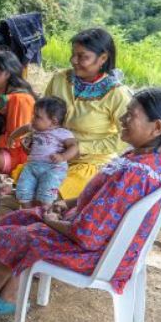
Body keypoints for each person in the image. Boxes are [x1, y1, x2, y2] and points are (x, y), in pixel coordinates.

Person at [0, 88, 161, 317]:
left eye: (131, 115)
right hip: (111, 244)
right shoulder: (154, 158)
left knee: (16, 231)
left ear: (157, 127)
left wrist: (51, 221)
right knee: (17, 218)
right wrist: (69, 204)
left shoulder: (134, 175)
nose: (122, 118)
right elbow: (104, 203)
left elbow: (87, 235)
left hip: (95, 253)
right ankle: (4, 289)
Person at [44, 28, 131, 200]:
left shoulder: (116, 94)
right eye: (73, 54)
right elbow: (43, 114)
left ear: (103, 58)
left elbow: (124, 138)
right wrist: (35, 135)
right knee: (24, 185)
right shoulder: (60, 79)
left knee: (50, 194)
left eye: (83, 56)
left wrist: (81, 148)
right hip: (54, 154)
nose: (73, 60)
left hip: (91, 162)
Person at [10, 97, 78, 208]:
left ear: (54, 121)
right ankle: (29, 212)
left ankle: (45, 212)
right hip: (32, 166)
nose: (32, 119)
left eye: (37, 117)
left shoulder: (63, 133)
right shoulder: (35, 128)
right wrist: (12, 137)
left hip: (53, 168)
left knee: (47, 193)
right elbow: (23, 129)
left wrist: (62, 156)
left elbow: (74, 147)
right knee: (22, 190)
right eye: (33, 115)